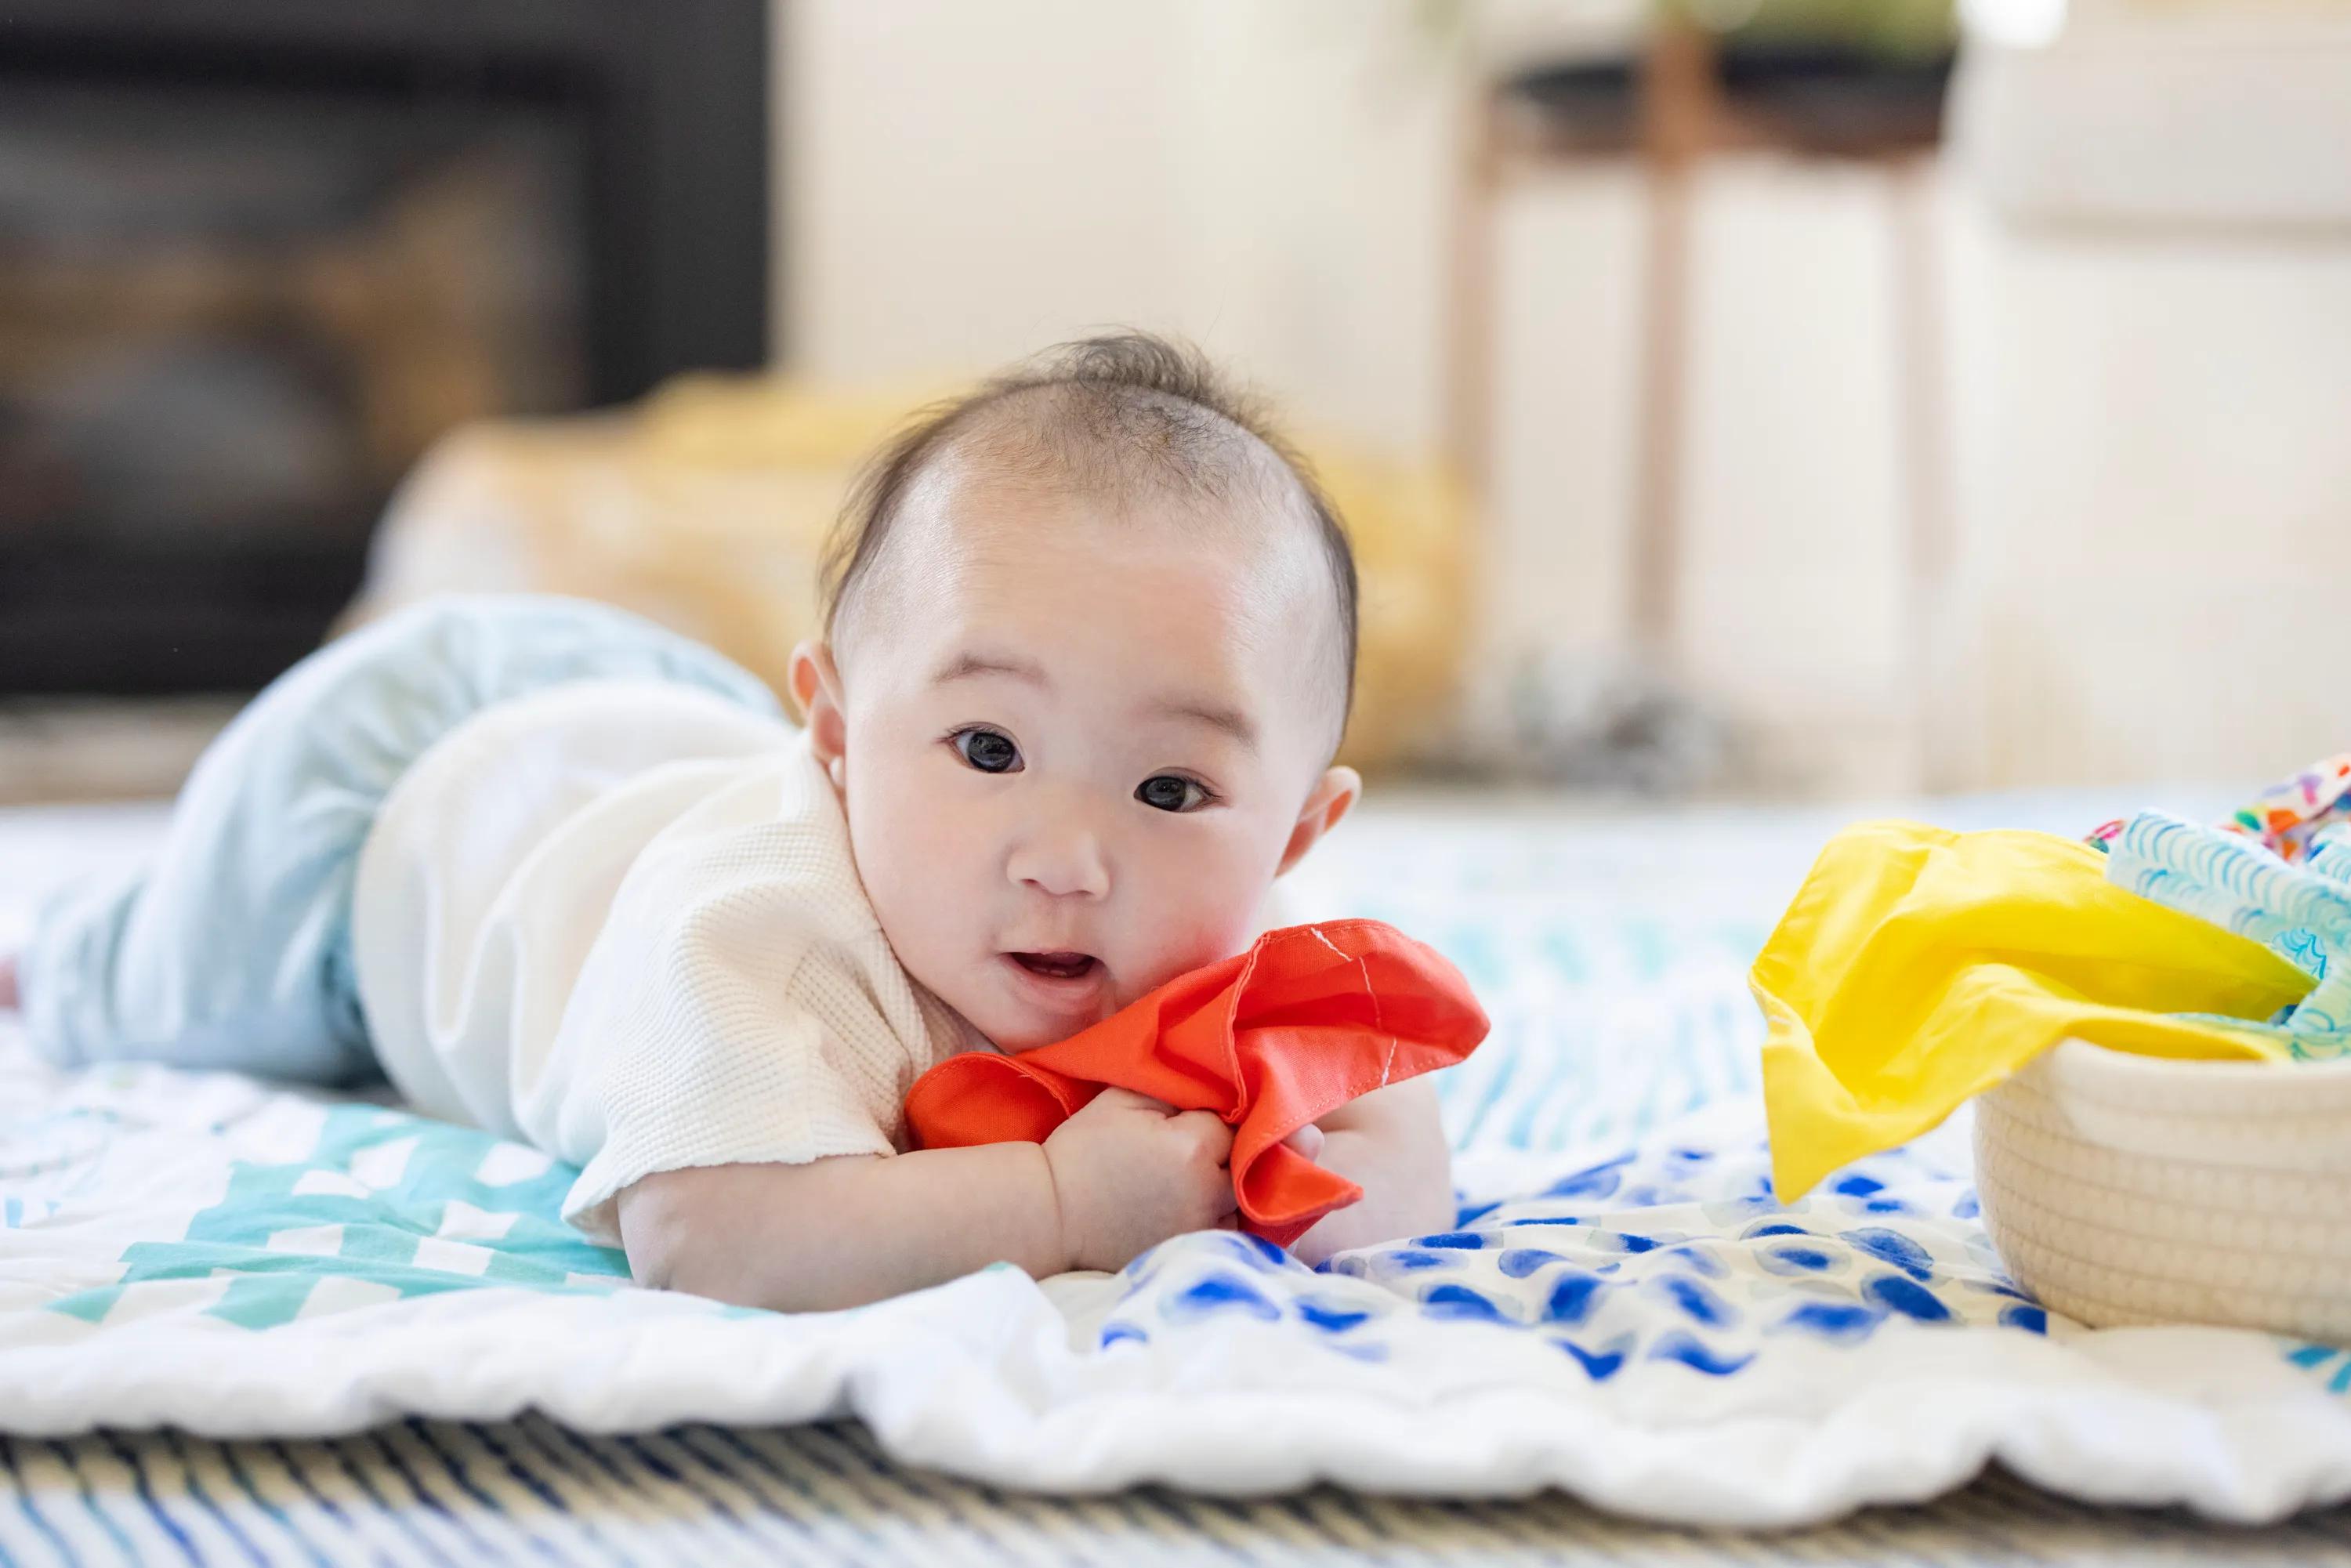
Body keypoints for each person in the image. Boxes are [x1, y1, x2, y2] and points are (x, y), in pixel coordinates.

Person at [2, 332, 1455, 1310]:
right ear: (834, 737)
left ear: (1295, 835)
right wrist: (1063, 1203)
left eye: (1172, 790)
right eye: (989, 746)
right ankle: (52, 952)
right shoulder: (763, 931)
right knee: (164, 985)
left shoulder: (1213, 940)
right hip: (390, 830)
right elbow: (703, 1229)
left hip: (635, 729)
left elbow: (1387, 1159)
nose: (1069, 858)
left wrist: (1324, 1178)